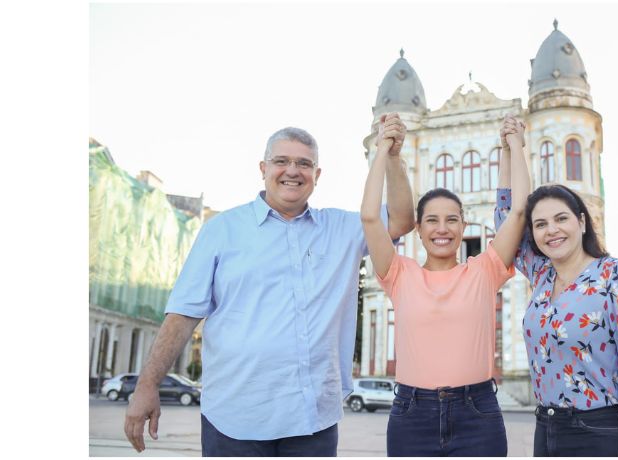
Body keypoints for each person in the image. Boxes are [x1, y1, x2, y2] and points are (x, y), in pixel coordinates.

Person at [123, 115, 415, 456]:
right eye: (282, 161)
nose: (293, 171)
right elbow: (183, 314)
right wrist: (147, 385)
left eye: (304, 164)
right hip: (235, 418)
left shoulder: (343, 229)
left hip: (312, 419)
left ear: (316, 176)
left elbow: (401, 220)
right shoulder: (222, 229)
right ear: (263, 168)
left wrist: (392, 158)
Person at [494, 135, 618, 456]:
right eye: (541, 224)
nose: (551, 230)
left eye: (561, 218)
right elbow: (507, 216)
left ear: (581, 222)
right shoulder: (541, 275)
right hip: (546, 429)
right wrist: (512, 148)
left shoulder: (617, 275)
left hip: (601, 431)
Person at [360, 115, 531, 456]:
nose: (443, 229)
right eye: (432, 221)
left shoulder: (484, 271)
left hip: (477, 412)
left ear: (463, 225)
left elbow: (518, 213)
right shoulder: (398, 273)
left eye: (452, 219)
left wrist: (514, 147)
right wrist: (383, 151)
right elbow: (369, 217)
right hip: (412, 414)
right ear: (418, 229)